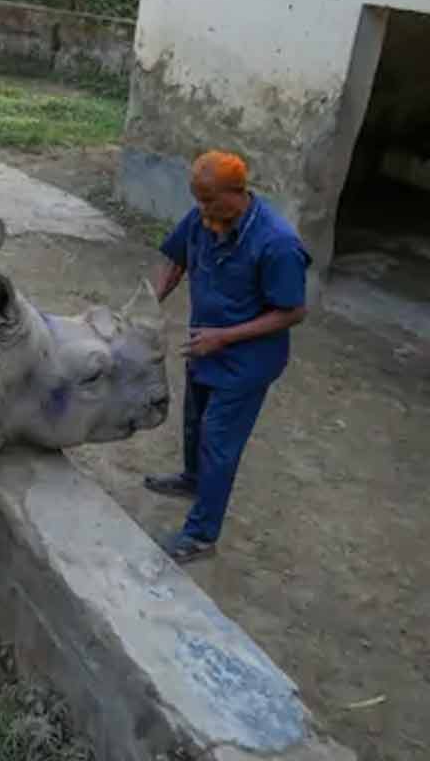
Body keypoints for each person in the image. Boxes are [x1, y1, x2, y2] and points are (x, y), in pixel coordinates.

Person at [146, 150, 311, 563]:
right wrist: (148, 303)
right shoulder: (205, 218)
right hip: (206, 345)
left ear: (237, 193)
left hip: (246, 362)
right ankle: (192, 479)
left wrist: (225, 337)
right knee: (194, 420)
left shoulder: (277, 243)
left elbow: (293, 311)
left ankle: (201, 536)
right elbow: (176, 260)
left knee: (219, 439)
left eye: (209, 201)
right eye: (198, 200)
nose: (202, 211)